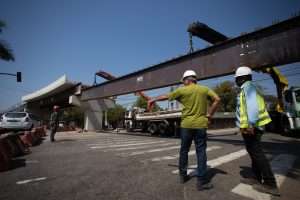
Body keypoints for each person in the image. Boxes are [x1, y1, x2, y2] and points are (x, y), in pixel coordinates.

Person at [147, 70, 220, 191]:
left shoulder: (182, 90)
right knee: (201, 152)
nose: (183, 83)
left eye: (183, 81)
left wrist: (152, 100)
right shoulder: (204, 89)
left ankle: (183, 176)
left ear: (187, 80)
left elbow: (165, 96)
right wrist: (209, 115)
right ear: (194, 79)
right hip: (201, 125)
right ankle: (201, 182)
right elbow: (217, 99)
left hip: (186, 125)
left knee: (184, 150)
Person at [234, 66, 280, 196]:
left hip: (252, 126)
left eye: (237, 79)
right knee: (253, 153)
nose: (236, 81)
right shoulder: (247, 88)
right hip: (249, 127)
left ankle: (271, 184)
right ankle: (256, 177)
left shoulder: (248, 88)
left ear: (242, 78)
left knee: (257, 154)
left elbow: (252, 107)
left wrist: (250, 124)